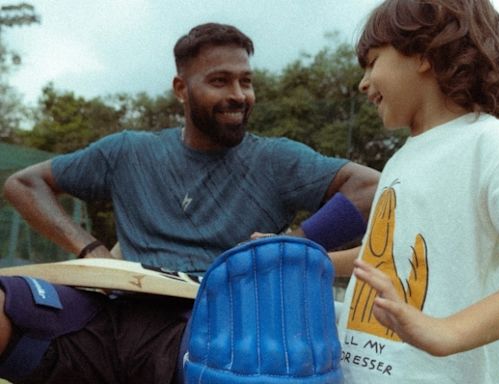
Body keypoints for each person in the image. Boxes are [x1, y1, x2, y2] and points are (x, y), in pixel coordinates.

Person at [0, 23, 379, 383]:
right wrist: (90, 249)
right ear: (181, 88)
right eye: (220, 81)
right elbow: (24, 183)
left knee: (241, 360)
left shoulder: (276, 160)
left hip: (209, 327)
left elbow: (370, 188)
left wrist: (290, 247)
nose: (238, 94)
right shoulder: (128, 151)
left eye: (246, 81)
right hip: (111, 312)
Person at [334, 0, 499, 383]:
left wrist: (445, 331)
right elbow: (389, 251)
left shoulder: (495, 143)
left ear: (422, 53)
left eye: (373, 61)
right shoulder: (402, 158)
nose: (363, 82)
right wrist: (313, 259)